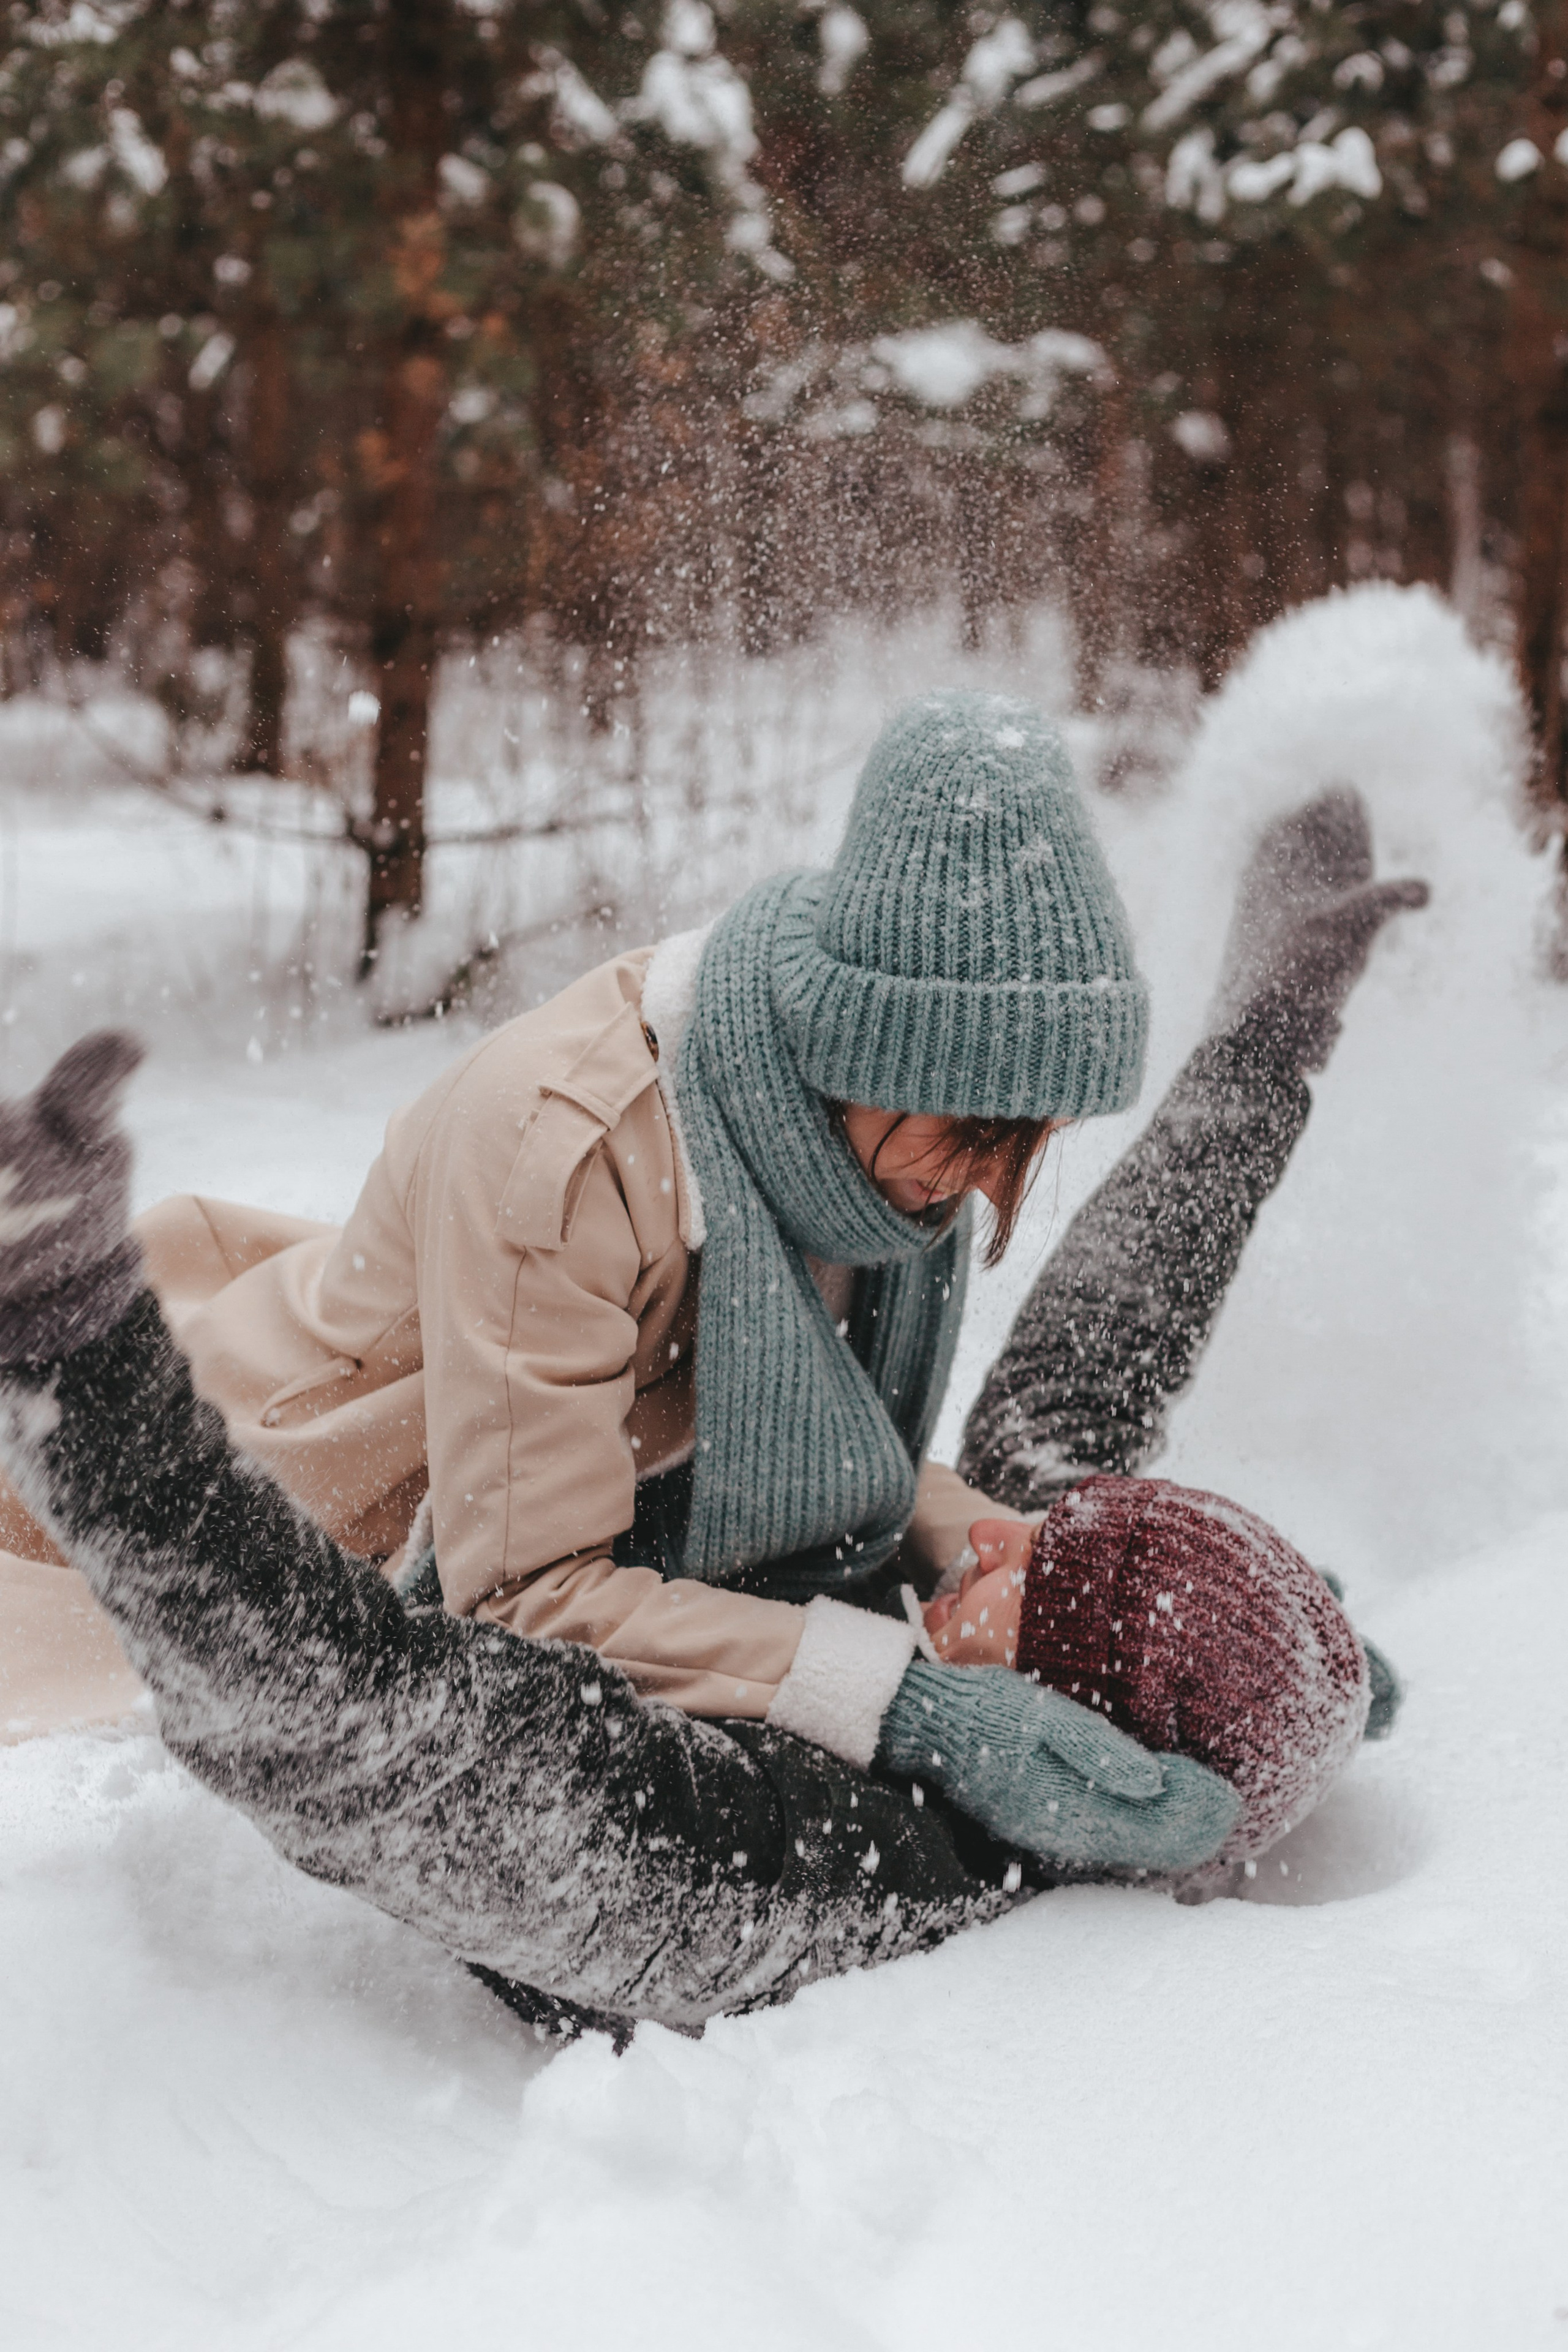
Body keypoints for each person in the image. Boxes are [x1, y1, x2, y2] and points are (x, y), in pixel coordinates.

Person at [0, 693, 1423, 2037]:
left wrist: (1271, 1668)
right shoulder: (569, 1148)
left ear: (1092, 1733)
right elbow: (529, 1600)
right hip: (336, 1494)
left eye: (1040, 1570)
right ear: (862, 1045)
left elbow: (390, 1743)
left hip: (267, 1527)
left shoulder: (846, 1832)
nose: (984, 1193)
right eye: (973, 1133)